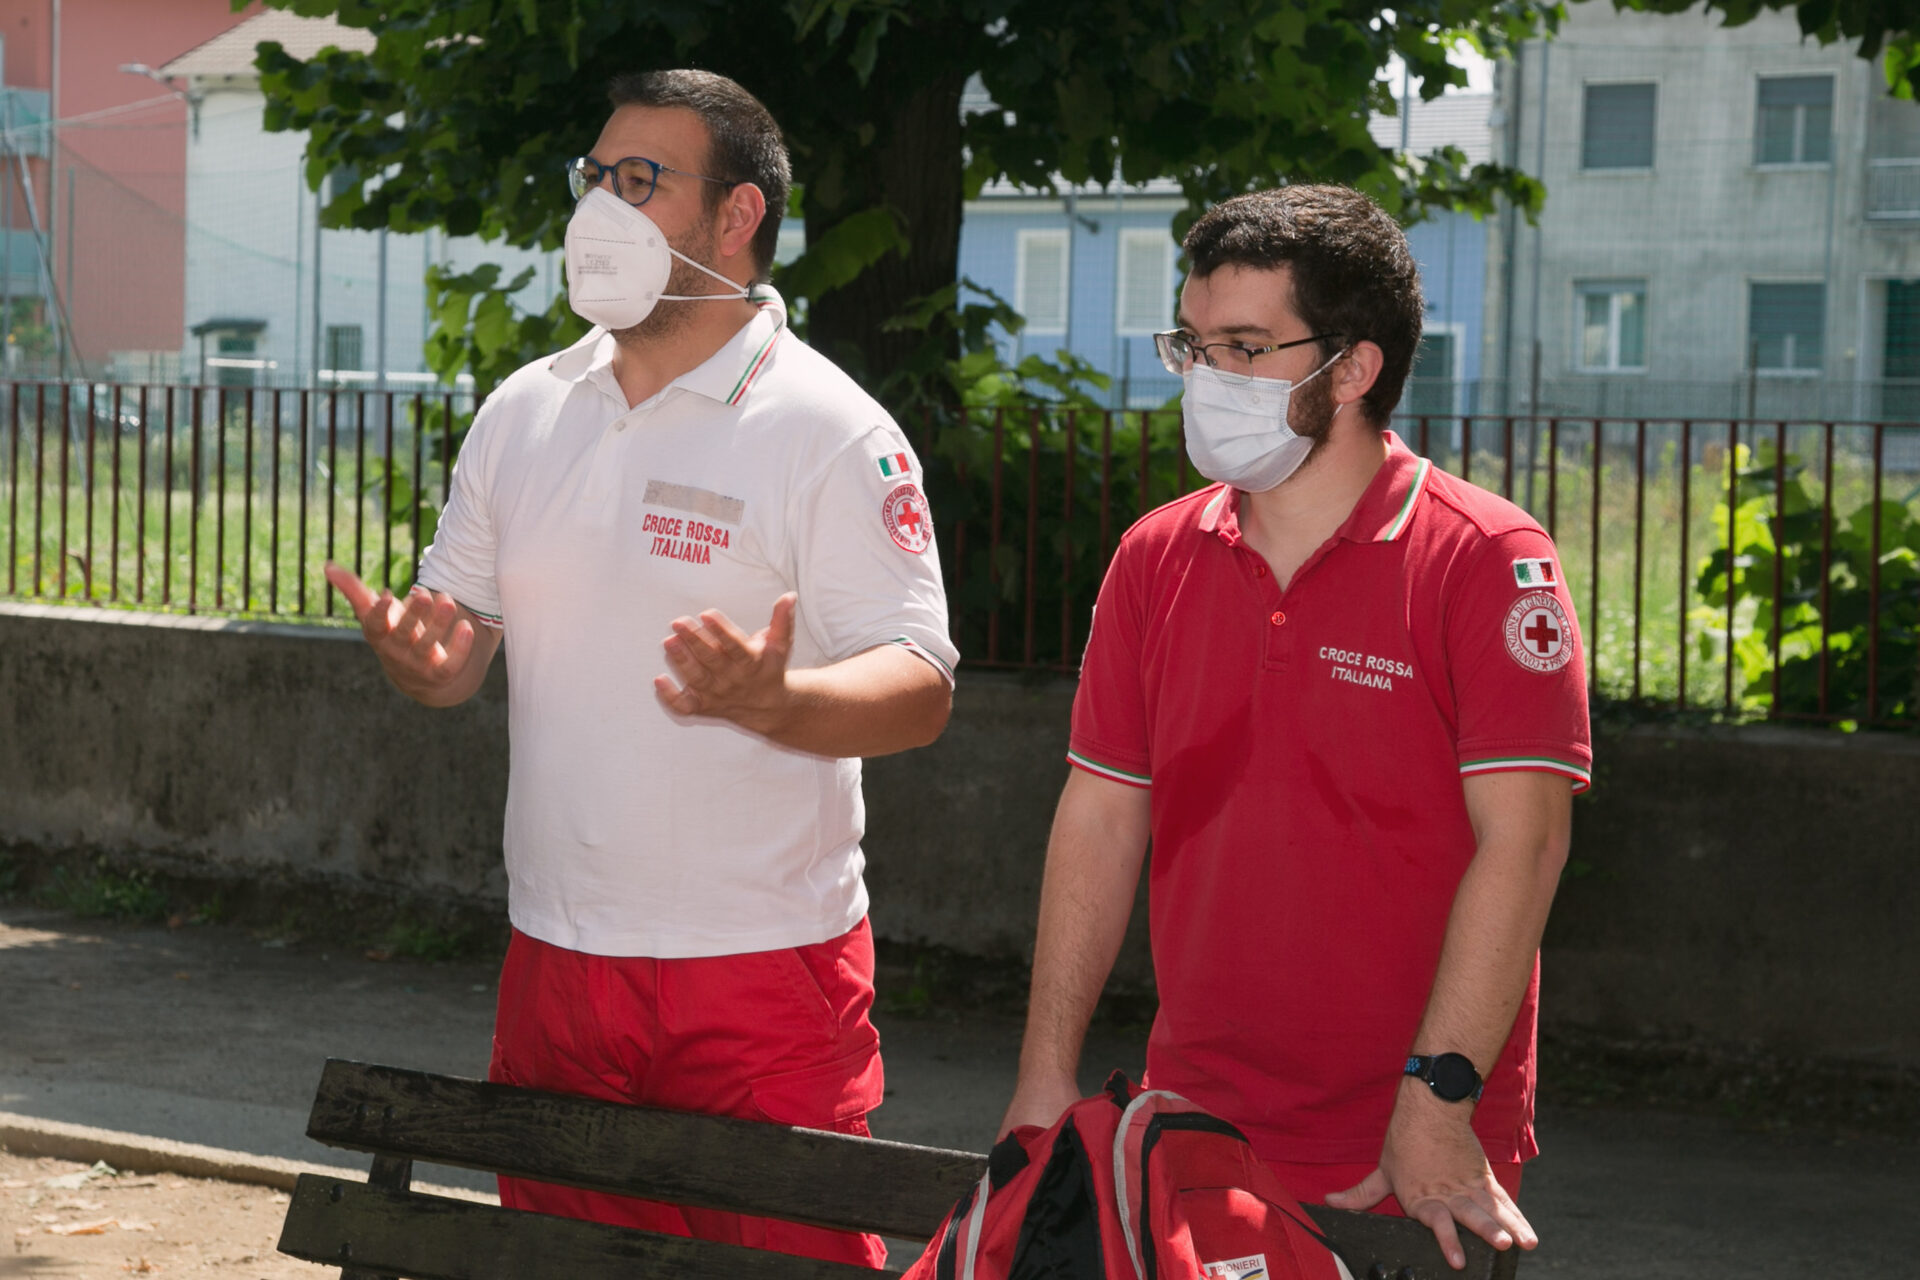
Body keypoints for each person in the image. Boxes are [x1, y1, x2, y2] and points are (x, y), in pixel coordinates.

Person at [324, 69, 957, 1269]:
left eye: (640, 180)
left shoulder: (831, 429)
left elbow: (921, 685)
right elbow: (456, 658)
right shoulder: (524, 409)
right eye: (594, 178)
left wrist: (781, 701)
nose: (599, 209)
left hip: (762, 962)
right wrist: (425, 659)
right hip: (557, 951)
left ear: (737, 215)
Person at [997, 185, 1591, 1271]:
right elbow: (1101, 815)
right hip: (1196, 1123)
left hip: (1410, 1141)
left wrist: (1438, 1103)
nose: (1205, 376)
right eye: (1193, 344)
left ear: (1352, 369)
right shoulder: (1154, 556)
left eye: (1244, 346)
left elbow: (1527, 842)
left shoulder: (1485, 558)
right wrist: (1044, 1074)